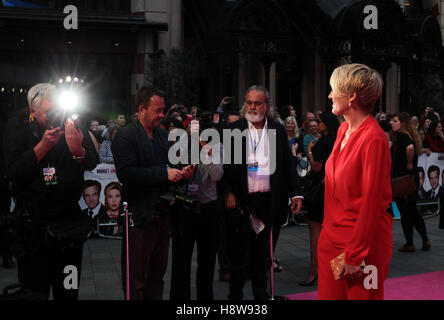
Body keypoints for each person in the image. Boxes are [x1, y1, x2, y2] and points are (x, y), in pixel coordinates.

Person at [3, 83, 97, 300]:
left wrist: (78, 151)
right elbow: (14, 171)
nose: (56, 116)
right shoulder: (18, 124)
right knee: (35, 294)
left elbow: (91, 161)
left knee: (69, 291)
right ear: (32, 112)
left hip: (70, 231)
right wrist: (42, 146)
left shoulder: (72, 118)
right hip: (35, 231)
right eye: (48, 113)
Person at [112, 86, 195, 300]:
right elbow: (126, 173)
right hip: (139, 218)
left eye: (163, 110)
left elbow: (172, 165)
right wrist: (164, 174)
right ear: (141, 109)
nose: (161, 115)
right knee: (136, 281)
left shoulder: (163, 134)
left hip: (162, 216)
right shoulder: (125, 135)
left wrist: (183, 172)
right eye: (157, 110)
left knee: (157, 278)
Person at [221, 85, 303, 300]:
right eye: (249, 102)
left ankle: (261, 296)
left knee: (262, 255)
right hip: (241, 202)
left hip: (268, 202)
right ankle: (235, 298)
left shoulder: (276, 130)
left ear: (266, 106)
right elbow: (225, 167)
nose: (252, 106)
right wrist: (228, 192)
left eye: (257, 103)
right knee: (238, 256)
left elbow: (287, 165)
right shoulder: (233, 130)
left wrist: (296, 193)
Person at [318, 64, 392, 300]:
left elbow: (371, 203)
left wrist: (354, 255)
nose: (329, 95)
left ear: (351, 96)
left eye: (333, 90)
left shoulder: (374, 140)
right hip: (332, 241)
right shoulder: (342, 131)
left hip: (362, 249)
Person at [170, 120, 224, 301]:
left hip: (208, 208)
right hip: (184, 208)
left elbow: (217, 175)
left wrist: (206, 151)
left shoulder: (215, 147)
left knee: (207, 260)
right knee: (181, 261)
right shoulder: (179, 147)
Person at [300, 111, 339, 286]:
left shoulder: (323, 142)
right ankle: (336, 270)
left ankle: (314, 271)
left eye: (320, 121)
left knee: (315, 232)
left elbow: (316, 167)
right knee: (336, 234)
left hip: (322, 190)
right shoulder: (340, 140)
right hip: (336, 190)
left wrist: (310, 152)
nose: (318, 123)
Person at [390, 113, 431, 253]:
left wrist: (408, 163)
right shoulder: (410, 135)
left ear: (402, 123)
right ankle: (425, 240)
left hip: (403, 179)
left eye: (395, 121)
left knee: (406, 212)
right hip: (409, 178)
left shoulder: (403, 136)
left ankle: (410, 243)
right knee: (413, 211)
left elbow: (410, 148)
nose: (392, 123)